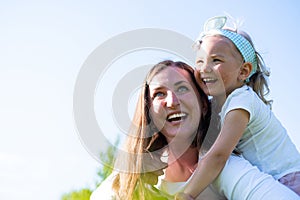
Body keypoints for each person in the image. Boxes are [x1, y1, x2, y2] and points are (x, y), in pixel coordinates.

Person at [91, 60, 299, 200]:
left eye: (182, 89)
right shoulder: (131, 178)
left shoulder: (224, 168)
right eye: (159, 94)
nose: (172, 102)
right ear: (149, 111)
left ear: (204, 104)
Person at [176, 16, 300, 199]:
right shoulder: (216, 105)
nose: (205, 68)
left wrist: (186, 194)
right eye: (200, 61)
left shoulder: (241, 100)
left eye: (216, 60)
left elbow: (219, 156)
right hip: (265, 182)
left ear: (243, 71)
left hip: (288, 181)